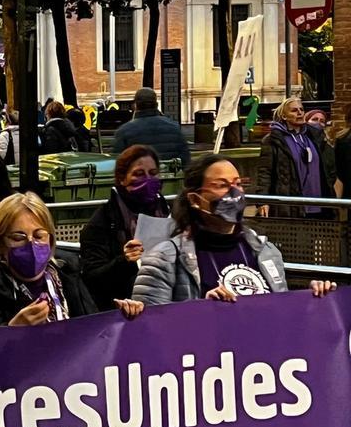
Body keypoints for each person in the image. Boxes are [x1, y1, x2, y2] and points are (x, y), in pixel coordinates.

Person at [134, 155, 337, 304]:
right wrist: (200, 310)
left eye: (238, 184)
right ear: (195, 199)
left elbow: (280, 315)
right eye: (222, 185)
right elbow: (151, 331)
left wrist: (312, 300)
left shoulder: (266, 253)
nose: (234, 192)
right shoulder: (164, 259)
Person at [0, 193, 140, 327]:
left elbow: (93, 339)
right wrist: (11, 331)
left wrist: (120, 316)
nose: (31, 244)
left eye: (39, 236)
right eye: (18, 238)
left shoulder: (71, 278)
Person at [80, 145, 172, 310]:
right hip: (123, 311)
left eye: (153, 173)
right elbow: (91, 279)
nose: (147, 180)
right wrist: (125, 261)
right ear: (122, 178)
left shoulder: (168, 213)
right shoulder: (102, 222)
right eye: (138, 174)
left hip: (167, 303)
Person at [256, 97, 336, 218]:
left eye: (301, 109)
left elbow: (329, 165)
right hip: (292, 204)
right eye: (294, 110)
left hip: (320, 202)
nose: (299, 113)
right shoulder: (273, 140)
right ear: (284, 116)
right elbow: (265, 172)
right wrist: (262, 201)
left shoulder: (314, 136)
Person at [110, 88, 191, 165]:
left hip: (140, 178)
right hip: (170, 177)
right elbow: (185, 160)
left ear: (135, 105)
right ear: (156, 104)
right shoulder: (174, 127)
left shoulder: (124, 131)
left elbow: (118, 163)